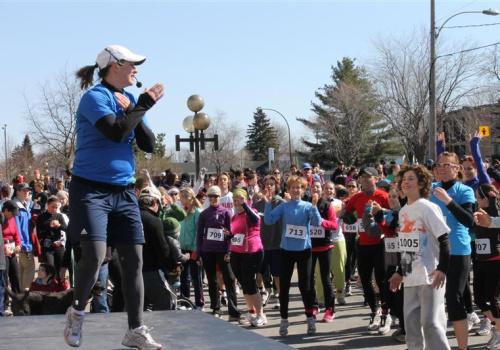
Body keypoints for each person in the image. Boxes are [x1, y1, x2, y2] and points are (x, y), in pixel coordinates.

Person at [65, 44, 164, 349]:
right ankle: (77, 313)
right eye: (132, 64)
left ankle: (135, 329)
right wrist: (138, 106)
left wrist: (140, 107)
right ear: (115, 65)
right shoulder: (95, 97)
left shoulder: (129, 99)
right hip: (90, 189)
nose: (137, 69)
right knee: (94, 255)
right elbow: (116, 133)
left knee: (134, 259)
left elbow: (149, 144)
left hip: (123, 191)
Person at [389, 164, 451, 350]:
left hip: (430, 275)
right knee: (412, 327)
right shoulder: (403, 211)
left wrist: (442, 268)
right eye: (404, 179)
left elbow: (445, 240)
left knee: (431, 324)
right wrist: (400, 272)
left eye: (411, 179)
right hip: (410, 277)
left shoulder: (427, 207)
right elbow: (406, 247)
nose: (406, 182)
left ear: (421, 183)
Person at [263, 175, 322, 336]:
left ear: (303, 190)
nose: (296, 190)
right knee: (284, 288)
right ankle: (284, 320)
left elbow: (317, 223)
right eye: (293, 187)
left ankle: (310, 318)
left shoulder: (308, 206)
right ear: (288, 190)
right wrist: (268, 204)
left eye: (299, 188)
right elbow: (268, 220)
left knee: (306, 287)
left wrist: (315, 207)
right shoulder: (284, 206)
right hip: (286, 251)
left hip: (304, 251)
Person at [430, 151, 475, 350]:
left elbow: (468, 219)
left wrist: (448, 201)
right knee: (431, 299)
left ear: (457, 169)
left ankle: (463, 347)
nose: (442, 168)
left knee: (454, 298)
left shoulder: (464, 191)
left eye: (447, 165)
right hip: (434, 252)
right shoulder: (431, 190)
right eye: (439, 164)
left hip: (458, 250)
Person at [196, 185, 241, 320]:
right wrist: (198, 253)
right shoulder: (204, 214)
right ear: (208, 198)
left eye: (216, 196)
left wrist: (229, 251)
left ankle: (233, 310)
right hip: (207, 250)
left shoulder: (226, 212)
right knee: (212, 280)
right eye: (211, 196)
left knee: (229, 278)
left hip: (222, 251)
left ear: (220, 197)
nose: (213, 198)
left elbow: (230, 233)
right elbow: (199, 235)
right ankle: (216, 308)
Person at [229, 189, 266, 327]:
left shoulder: (252, 212)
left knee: (250, 283)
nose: (237, 202)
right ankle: (251, 312)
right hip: (236, 252)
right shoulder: (234, 217)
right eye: (235, 200)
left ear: (245, 200)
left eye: (239, 199)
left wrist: (245, 205)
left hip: (252, 251)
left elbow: (255, 220)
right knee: (244, 284)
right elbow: (234, 236)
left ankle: (261, 314)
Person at [472, 184, 500, 348]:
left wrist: (493, 201)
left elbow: (495, 220)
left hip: (495, 260)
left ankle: (498, 331)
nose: (476, 200)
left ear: (485, 199)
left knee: (492, 298)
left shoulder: (495, 213)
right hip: (480, 260)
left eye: (478, 197)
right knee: (480, 299)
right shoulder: (477, 213)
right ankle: (497, 326)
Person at [253, 175, 283, 310]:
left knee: (277, 274)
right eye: (267, 184)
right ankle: (264, 291)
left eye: (272, 184)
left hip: (277, 244)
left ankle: (280, 297)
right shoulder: (258, 204)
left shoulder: (281, 203)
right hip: (260, 245)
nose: (269, 186)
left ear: (276, 186)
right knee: (258, 273)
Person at [178, 187, 204, 310]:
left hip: (193, 248)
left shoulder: (197, 211)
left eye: (181, 197)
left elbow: (199, 232)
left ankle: (199, 303)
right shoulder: (181, 210)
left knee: (196, 276)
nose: (180, 199)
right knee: (184, 276)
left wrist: (195, 249)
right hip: (182, 247)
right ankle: (185, 301)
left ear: (187, 197)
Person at [36, 196, 67, 280]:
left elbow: (66, 229)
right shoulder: (41, 217)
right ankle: (50, 287)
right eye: (52, 207)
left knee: (60, 269)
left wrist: (59, 225)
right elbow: (39, 235)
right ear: (47, 205)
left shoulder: (59, 216)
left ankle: (60, 288)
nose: (54, 209)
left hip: (58, 245)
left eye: (56, 207)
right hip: (47, 247)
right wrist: (49, 227)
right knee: (50, 269)